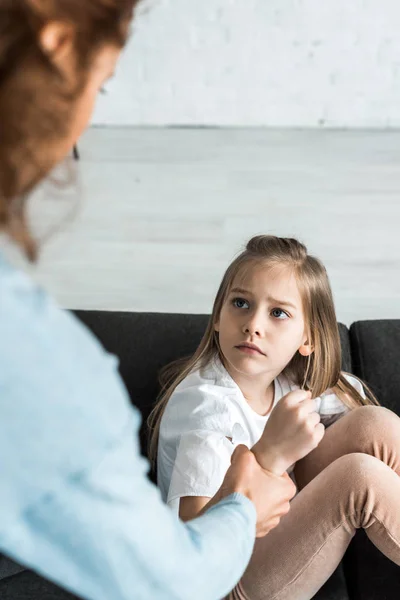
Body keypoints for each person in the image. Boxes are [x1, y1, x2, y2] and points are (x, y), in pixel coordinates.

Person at [0, 3, 297, 600]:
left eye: (280, 313)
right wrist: (243, 503)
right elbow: (168, 582)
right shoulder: (37, 364)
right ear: (58, 48)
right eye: (100, 84)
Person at [150, 234, 400, 600]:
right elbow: (197, 551)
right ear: (218, 316)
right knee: (357, 477)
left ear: (307, 340)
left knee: (372, 423)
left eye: (277, 313)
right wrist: (270, 456)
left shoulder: (281, 378)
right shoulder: (207, 410)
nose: (253, 324)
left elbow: (352, 400)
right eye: (240, 303)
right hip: (225, 582)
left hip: (266, 531)